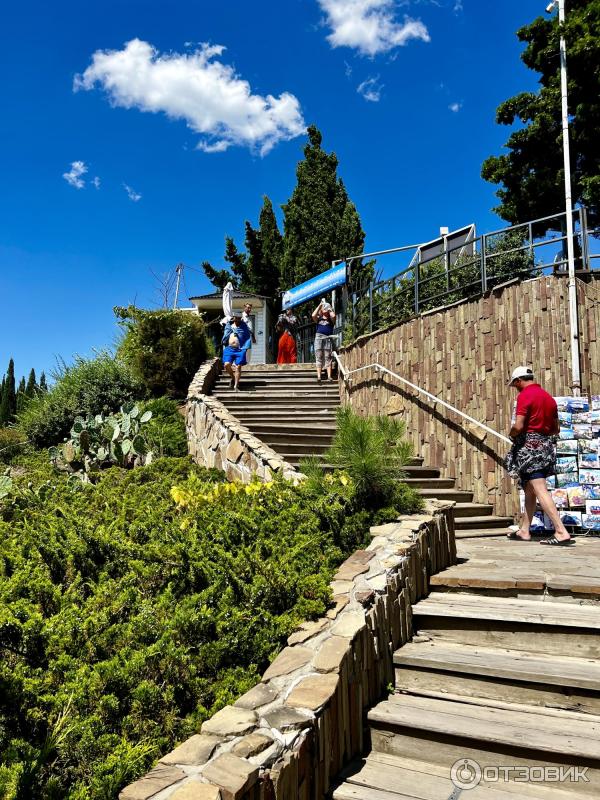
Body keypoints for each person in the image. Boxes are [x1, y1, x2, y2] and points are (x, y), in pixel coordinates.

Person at [505, 366, 573, 545]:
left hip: (529, 447)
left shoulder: (525, 396)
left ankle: (560, 531)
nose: (516, 387)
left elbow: (518, 426)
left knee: (539, 487)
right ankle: (524, 530)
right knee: (529, 489)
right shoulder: (549, 398)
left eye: (515, 384)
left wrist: (511, 433)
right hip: (545, 445)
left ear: (519, 381)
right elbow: (555, 429)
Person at [222, 311, 251, 392]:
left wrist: (246, 347)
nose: (238, 320)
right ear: (233, 318)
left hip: (240, 349)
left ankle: (235, 386)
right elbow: (225, 335)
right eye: (236, 318)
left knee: (238, 366)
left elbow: (247, 337)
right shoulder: (229, 325)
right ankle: (233, 377)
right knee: (227, 365)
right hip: (229, 348)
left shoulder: (244, 326)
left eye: (239, 318)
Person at [311, 299, 336, 382]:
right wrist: (319, 305)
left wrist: (329, 308)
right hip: (318, 338)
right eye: (324, 307)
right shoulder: (319, 318)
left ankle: (329, 376)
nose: (325, 308)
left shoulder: (331, 320)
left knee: (328, 357)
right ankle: (319, 376)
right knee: (319, 357)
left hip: (327, 338)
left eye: (326, 307)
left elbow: (333, 316)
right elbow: (313, 315)